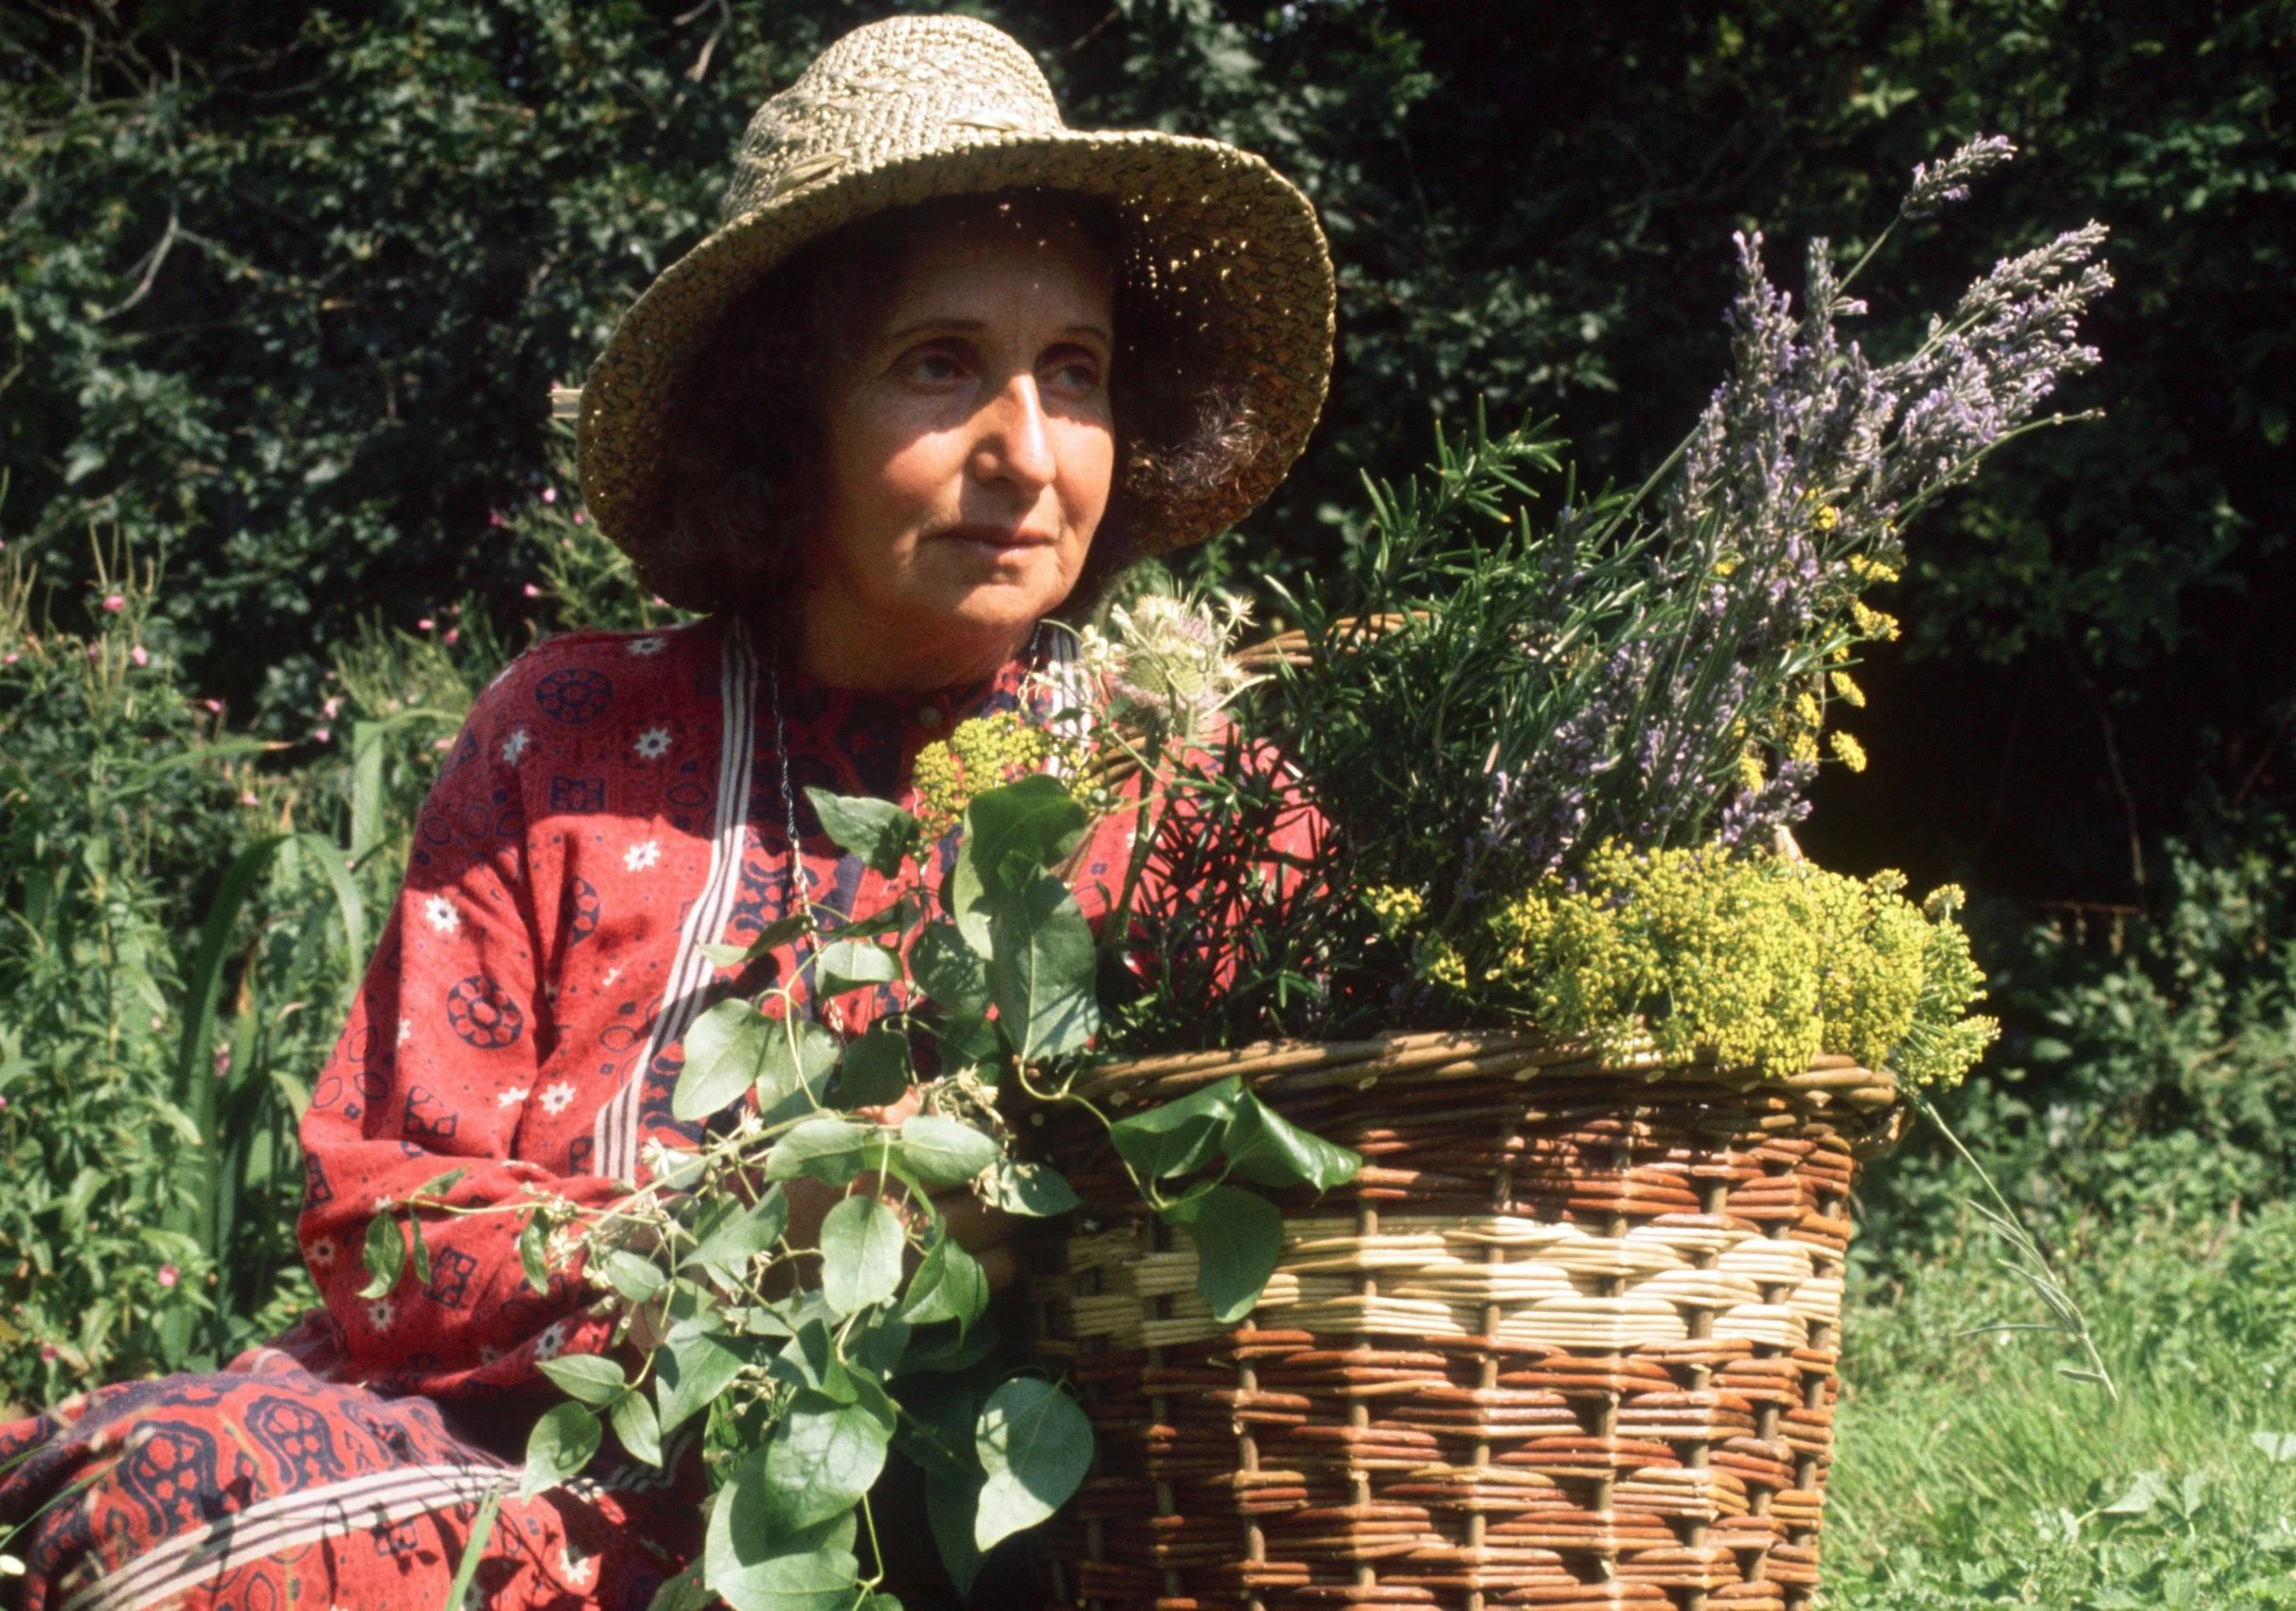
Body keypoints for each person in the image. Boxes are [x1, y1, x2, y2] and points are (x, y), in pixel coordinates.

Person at [0, 14, 1331, 1610]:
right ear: (788, 417)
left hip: (1006, 1522)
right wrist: (765, 1224)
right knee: (151, 1499)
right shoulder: (575, 734)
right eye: (938, 364)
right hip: (511, 1459)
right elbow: (383, 1223)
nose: (1026, 453)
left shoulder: (1196, 792)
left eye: (1077, 372)